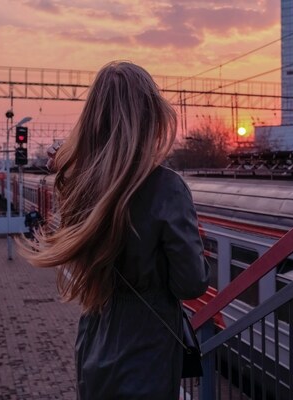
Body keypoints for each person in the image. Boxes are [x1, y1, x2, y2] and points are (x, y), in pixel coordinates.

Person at [18, 61, 209, 399]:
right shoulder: (166, 187)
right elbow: (190, 282)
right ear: (150, 116)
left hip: (95, 341)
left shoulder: (79, 185)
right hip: (147, 351)